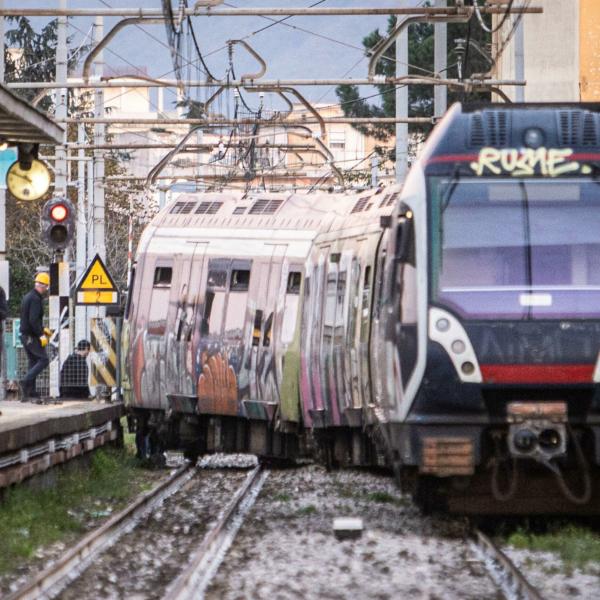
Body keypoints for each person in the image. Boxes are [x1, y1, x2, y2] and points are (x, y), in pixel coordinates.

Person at [19, 272, 51, 401]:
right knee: (43, 360)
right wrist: (41, 334)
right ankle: (26, 381)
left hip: (25, 335)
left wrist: (43, 329)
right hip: (31, 335)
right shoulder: (36, 299)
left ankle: (29, 392)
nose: (46, 290)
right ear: (43, 286)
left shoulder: (28, 296)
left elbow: (29, 319)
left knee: (33, 361)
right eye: (47, 287)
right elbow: (33, 320)